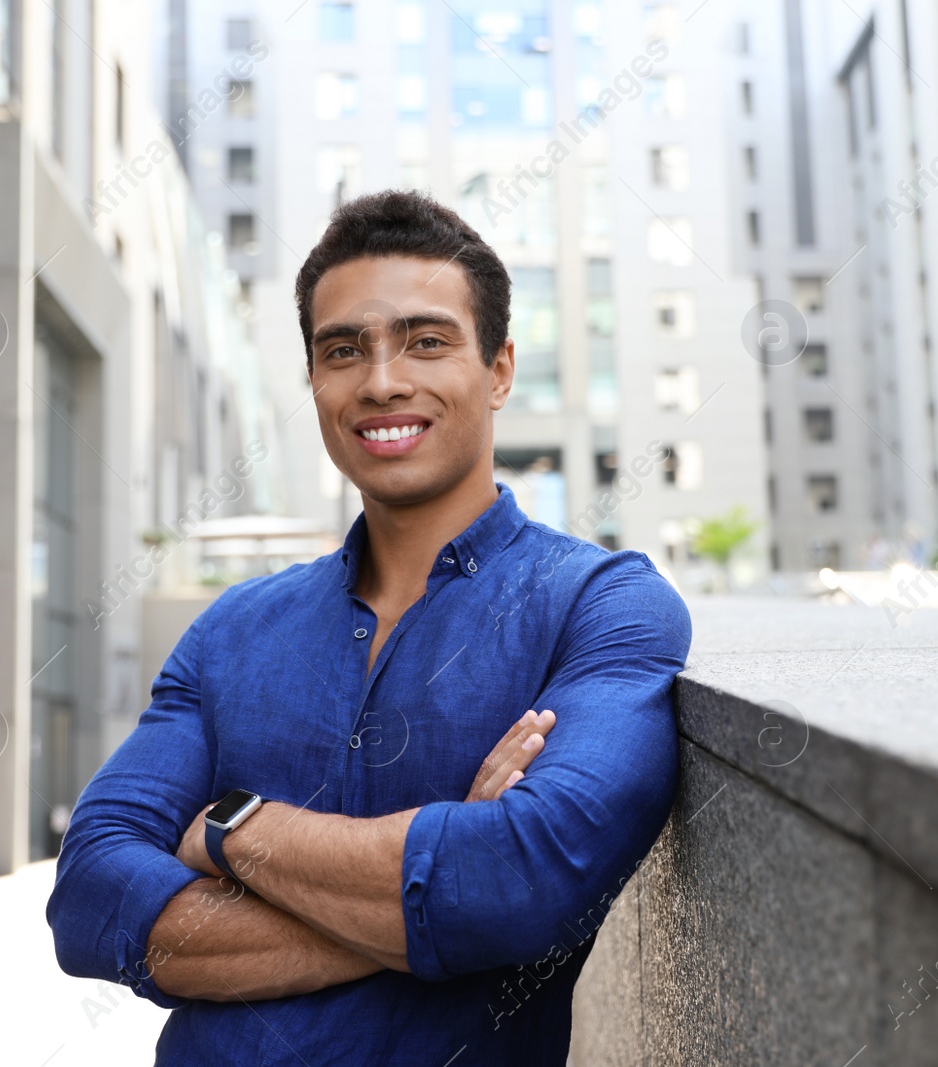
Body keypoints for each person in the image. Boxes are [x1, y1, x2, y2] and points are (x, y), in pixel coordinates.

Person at [47, 190, 691, 1065]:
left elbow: (524, 878)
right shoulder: (231, 629)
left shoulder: (601, 604)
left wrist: (234, 829)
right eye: (343, 349)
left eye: (426, 340)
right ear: (314, 380)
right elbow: (90, 896)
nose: (382, 380)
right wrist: (439, 877)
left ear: (499, 369)